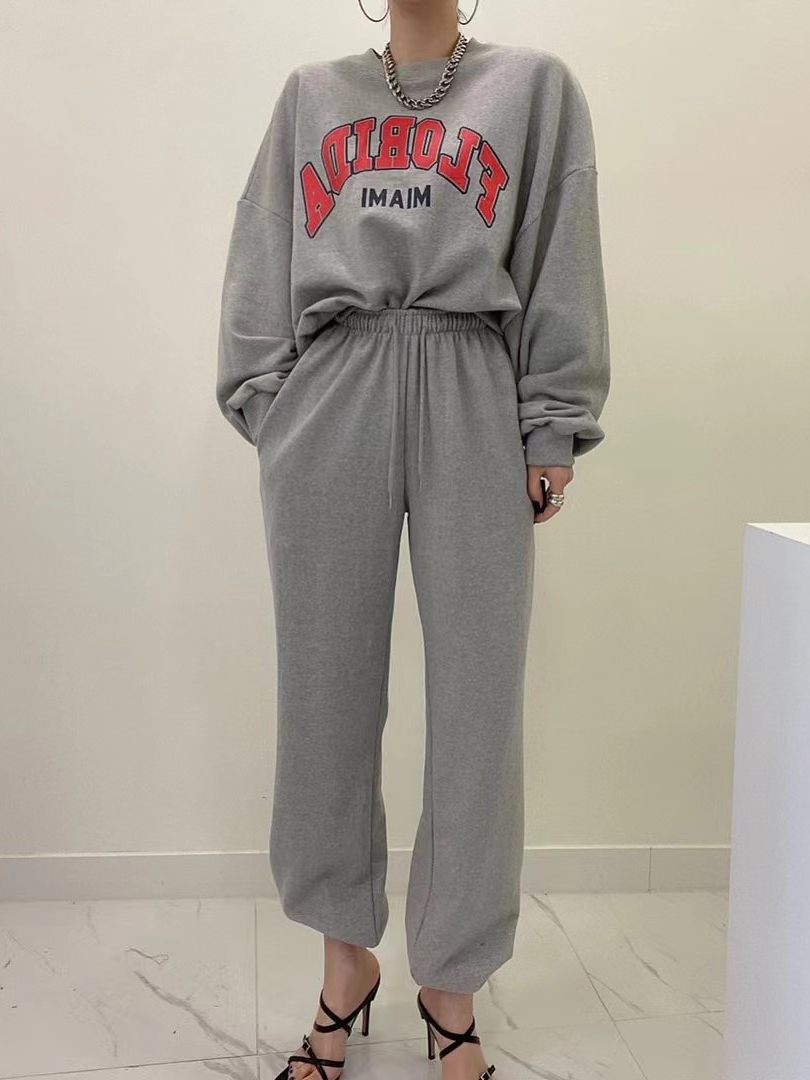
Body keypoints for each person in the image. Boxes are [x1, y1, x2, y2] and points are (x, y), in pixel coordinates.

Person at [215, 1, 610, 1077]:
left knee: (479, 706)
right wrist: (272, 408)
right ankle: (344, 966)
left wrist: (551, 422)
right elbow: (261, 248)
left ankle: (451, 984)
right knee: (324, 701)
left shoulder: (533, 89)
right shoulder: (311, 94)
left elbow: (560, 251)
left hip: (473, 383)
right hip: (333, 388)